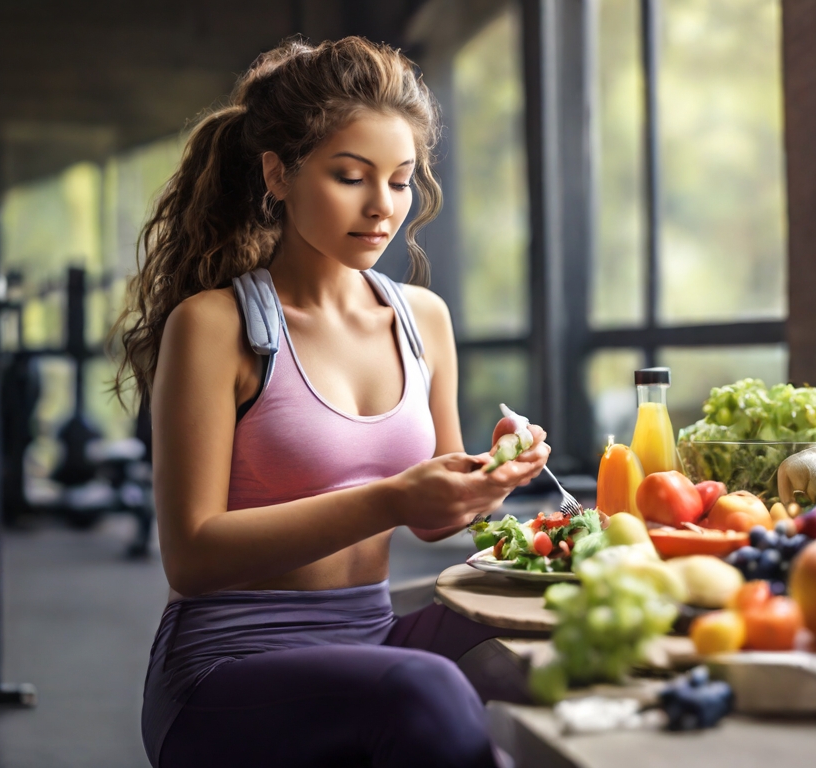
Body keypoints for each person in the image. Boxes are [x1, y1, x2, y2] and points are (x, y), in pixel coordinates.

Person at [112, 36, 550, 768]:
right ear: (278, 174)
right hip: (227, 666)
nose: (383, 208)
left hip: (371, 634)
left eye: (401, 180)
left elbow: (440, 517)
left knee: (559, 624)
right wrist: (392, 498)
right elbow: (191, 556)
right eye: (351, 177)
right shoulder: (217, 326)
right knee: (423, 690)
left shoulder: (423, 319)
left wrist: (490, 480)